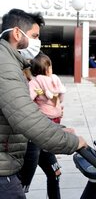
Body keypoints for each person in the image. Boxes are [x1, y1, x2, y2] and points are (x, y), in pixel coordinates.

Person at [0, 8, 87, 198]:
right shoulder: (5, 66)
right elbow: (26, 118)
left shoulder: (10, 63)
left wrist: (56, 128)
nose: (37, 42)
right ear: (17, 33)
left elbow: (22, 110)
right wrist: (72, 143)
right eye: (34, 35)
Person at [19, 52, 67, 199]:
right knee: (22, 183)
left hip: (45, 135)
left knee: (55, 173)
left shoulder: (42, 80)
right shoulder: (22, 82)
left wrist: (55, 106)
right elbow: (23, 106)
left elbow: (56, 97)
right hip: (32, 139)